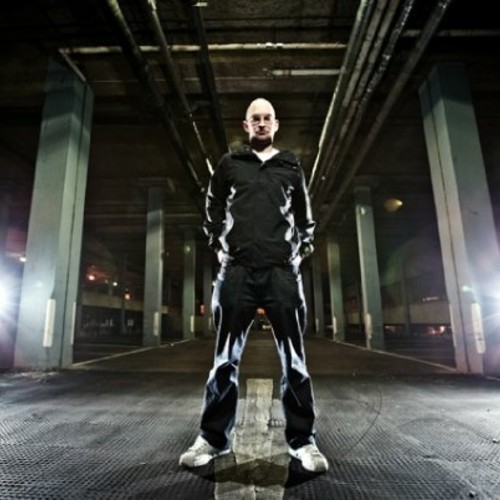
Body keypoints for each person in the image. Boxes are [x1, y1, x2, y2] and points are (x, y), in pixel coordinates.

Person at [179, 98, 328, 473]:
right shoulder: (230, 164)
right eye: (255, 119)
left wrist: (300, 252)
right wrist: (218, 246)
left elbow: (304, 217)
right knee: (224, 361)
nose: (261, 123)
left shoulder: (290, 164)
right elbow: (213, 207)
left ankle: (302, 441)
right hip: (238, 271)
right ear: (246, 126)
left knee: (294, 361)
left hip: (280, 271)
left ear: (275, 124)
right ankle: (213, 439)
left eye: (267, 118)